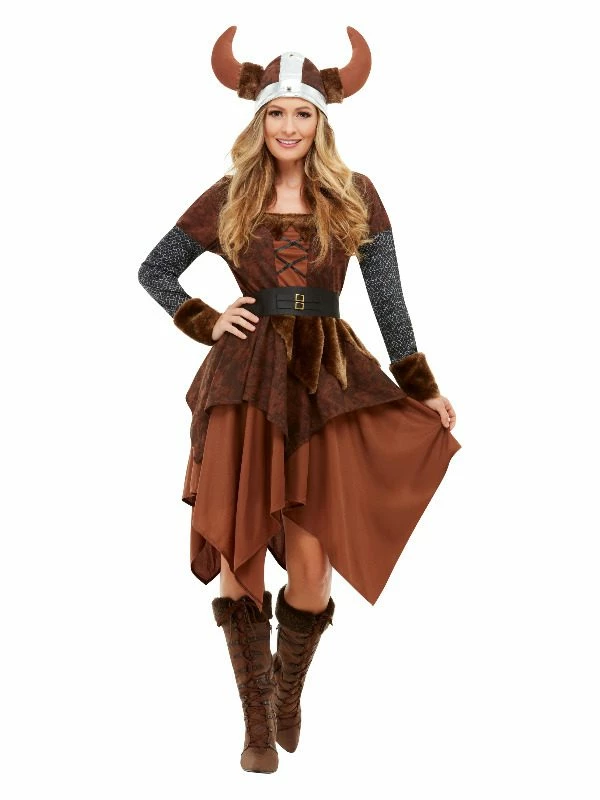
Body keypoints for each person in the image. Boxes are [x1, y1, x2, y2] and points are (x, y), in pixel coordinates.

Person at [138, 26, 461, 774]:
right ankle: (255, 723)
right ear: (259, 120)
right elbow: (154, 270)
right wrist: (206, 318)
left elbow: (389, 299)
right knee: (241, 543)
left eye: (302, 114)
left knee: (312, 567)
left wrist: (423, 386)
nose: (289, 126)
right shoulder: (230, 195)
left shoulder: (355, 195)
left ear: (322, 121)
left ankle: (287, 690)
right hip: (244, 385)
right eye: (277, 113)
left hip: (325, 381)